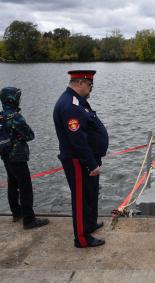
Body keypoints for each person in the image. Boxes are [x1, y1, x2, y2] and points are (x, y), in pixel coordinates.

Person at [53, 70, 109, 248]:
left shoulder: (79, 102)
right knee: (81, 198)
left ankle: (90, 224)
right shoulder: (70, 105)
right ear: (80, 83)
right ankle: (82, 238)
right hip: (79, 161)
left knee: (91, 194)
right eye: (90, 85)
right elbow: (77, 139)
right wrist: (91, 164)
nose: (91, 88)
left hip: (88, 158)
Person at [0, 87, 49, 229]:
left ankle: (16, 213)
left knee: (12, 183)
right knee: (25, 187)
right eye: (18, 97)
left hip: (5, 155)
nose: (20, 99)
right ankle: (29, 220)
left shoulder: (2, 115)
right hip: (18, 157)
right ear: (12, 99)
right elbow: (30, 135)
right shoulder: (15, 116)